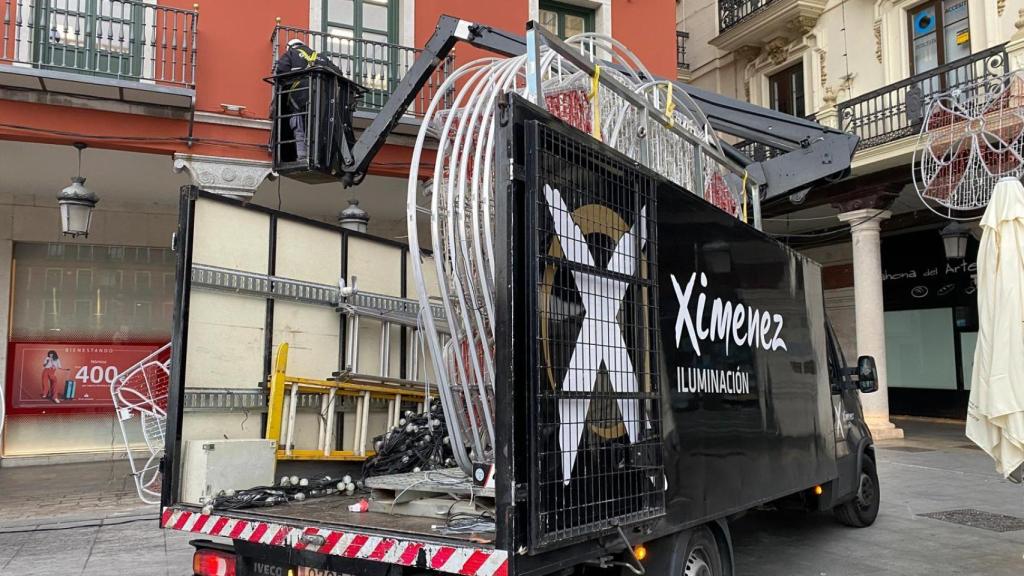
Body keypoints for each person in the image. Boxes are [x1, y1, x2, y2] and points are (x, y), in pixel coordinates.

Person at [274, 38, 324, 161]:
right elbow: (337, 72)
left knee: (298, 122)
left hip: (300, 94)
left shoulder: (291, 54)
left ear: (290, 47)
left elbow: (281, 72)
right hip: (322, 96)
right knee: (317, 124)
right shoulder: (321, 58)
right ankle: (317, 156)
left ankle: (302, 156)